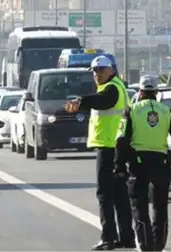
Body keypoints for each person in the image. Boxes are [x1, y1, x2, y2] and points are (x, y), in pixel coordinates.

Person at [64, 56, 135, 250]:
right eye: (94, 71)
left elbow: (104, 102)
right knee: (119, 194)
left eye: (100, 70)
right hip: (117, 146)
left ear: (111, 70)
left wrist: (82, 100)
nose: (96, 74)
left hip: (109, 147)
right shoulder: (115, 86)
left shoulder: (112, 88)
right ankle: (127, 237)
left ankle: (109, 238)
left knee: (104, 194)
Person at [114, 81, 171, 252]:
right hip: (161, 163)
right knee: (160, 207)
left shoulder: (131, 110)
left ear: (140, 92)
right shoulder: (166, 111)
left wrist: (119, 166)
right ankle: (158, 246)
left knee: (139, 206)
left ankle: (146, 245)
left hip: (138, 164)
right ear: (156, 92)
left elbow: (121, 139)